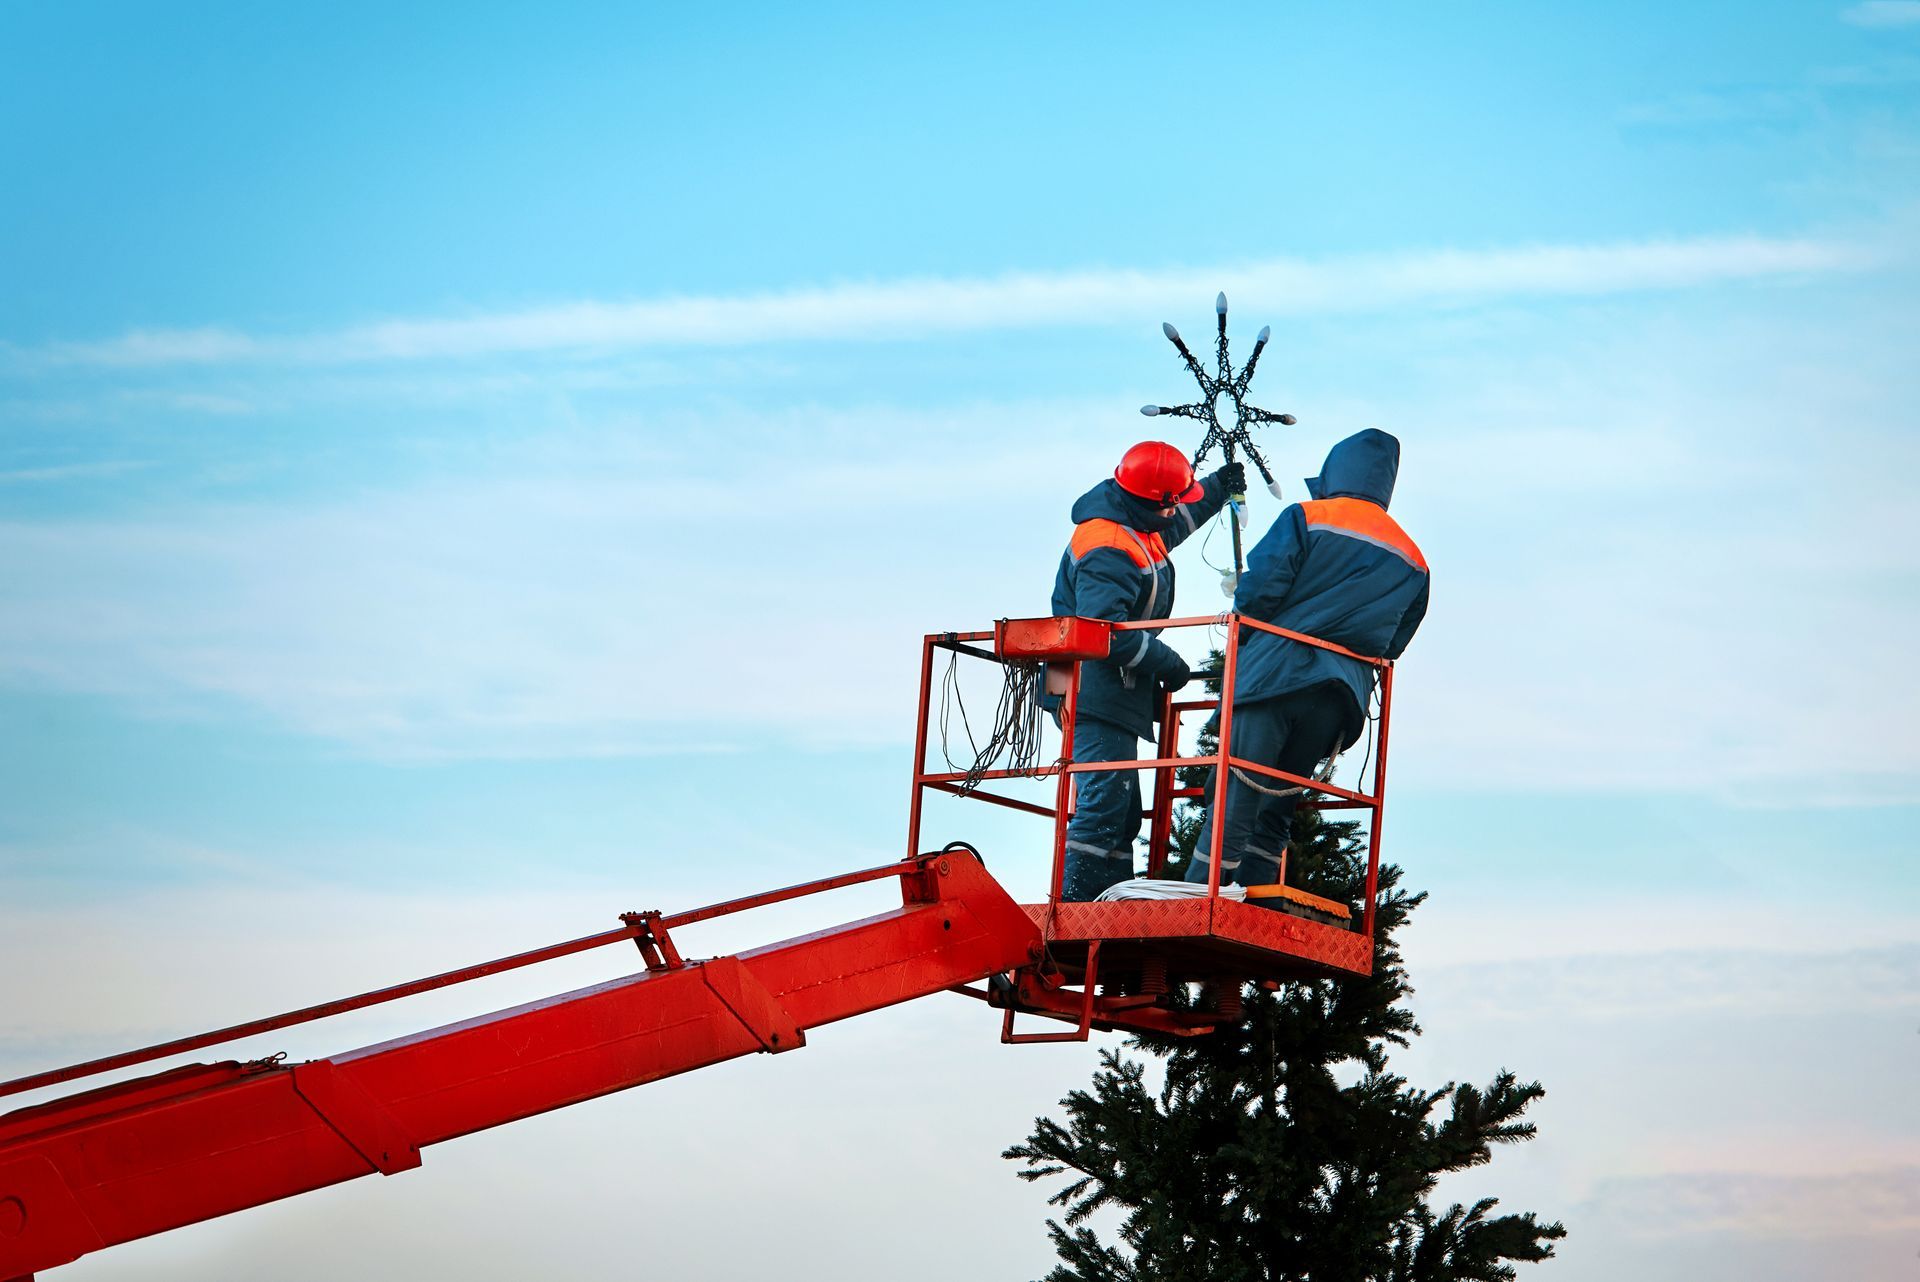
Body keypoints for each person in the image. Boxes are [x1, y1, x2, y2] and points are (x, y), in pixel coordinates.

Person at [1186, 428, 1429, 892]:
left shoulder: (1308, 517)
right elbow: (1394, 641)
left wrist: (1247, 618)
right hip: (1340, 701)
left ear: (1335, 470)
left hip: (1273, 681)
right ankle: (1256, 902)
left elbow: (1256, 593)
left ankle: (1199, 901)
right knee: (1277, 807)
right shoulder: (1413, 556)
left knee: (1237, 797)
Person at [1046, 441, 1240, 900]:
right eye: (1174, 504)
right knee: (1104, 805)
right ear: (1156, 502)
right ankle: (1078, 907)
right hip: (1086, 690)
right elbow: (1104, 632)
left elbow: (1172, 528)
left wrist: (1215, 489)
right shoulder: (1109, 546)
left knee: (1122, 809)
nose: (1176, 514)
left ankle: (1110, 902)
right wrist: (1164, 661)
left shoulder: (1134, 524)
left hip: (1104, 691)